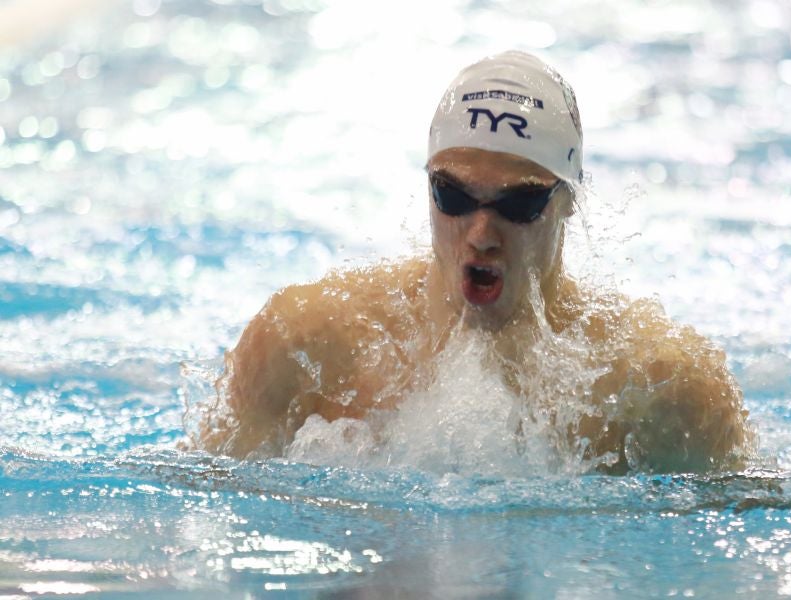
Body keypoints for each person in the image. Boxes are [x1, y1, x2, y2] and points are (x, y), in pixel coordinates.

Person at [196, 51, 750, 473]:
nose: (481, 235)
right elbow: (202, 503)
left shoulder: (660, 384)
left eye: (518, 203)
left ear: (568, 203)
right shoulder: (305, 342)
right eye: (454, 197)